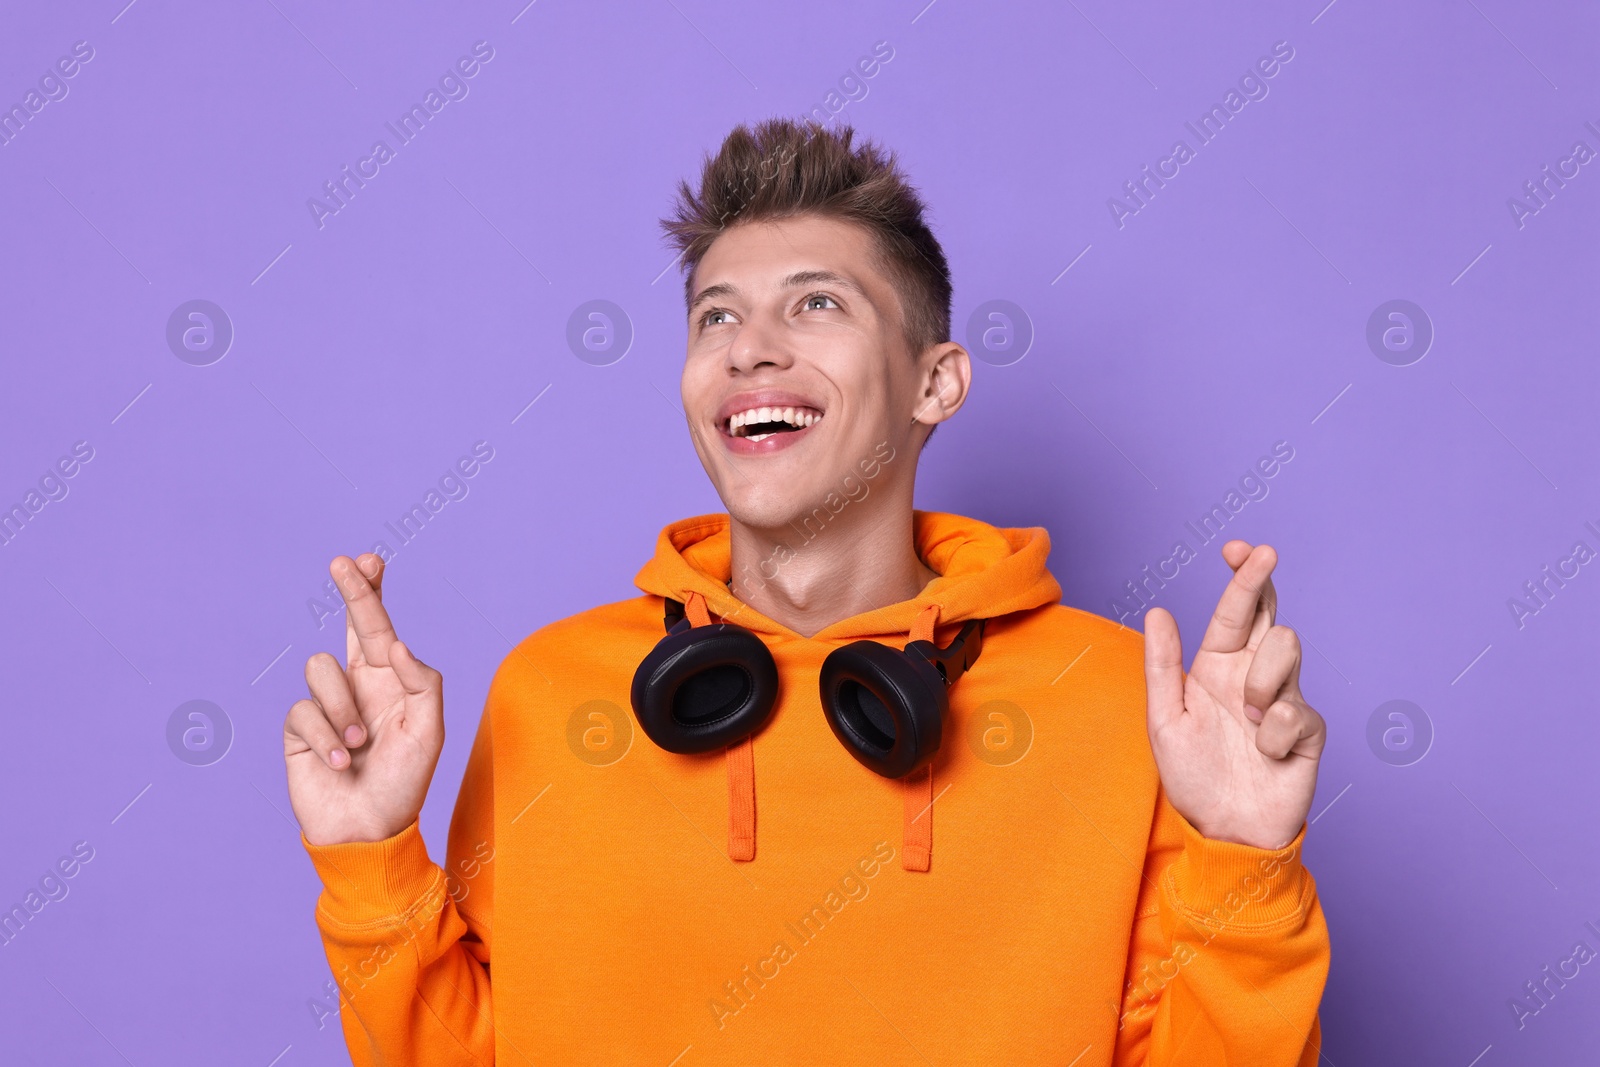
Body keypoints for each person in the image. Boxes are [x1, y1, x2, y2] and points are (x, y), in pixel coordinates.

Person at [282, 116, 1329, 1065]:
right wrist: (372, 861)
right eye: (715, 317)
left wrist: (1245, 865)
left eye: (816, 304)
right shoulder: (549, 694)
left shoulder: (1120, 701)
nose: (750, 348)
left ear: (937, 381)